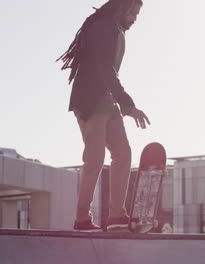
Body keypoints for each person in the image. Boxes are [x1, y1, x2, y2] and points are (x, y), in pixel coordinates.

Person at [57, 0, 150, 232]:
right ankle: (81, 219)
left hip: (107, 99)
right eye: (133, 13)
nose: (135, 19)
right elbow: (105, 69)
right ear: (121, 8)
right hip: (89, 99)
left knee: (123, 152)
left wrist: (123, 105)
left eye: (137, 14)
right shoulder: (101, 27)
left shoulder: (117, 31)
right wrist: (129, 105)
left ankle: (117, 216)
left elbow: (109, 73)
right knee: (95, 159)